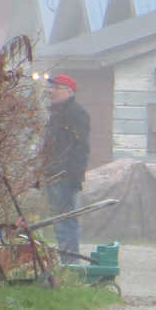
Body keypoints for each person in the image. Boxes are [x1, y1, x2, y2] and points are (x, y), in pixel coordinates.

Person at [41, 73, 90, 263]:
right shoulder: (56, 114)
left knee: (66, 222)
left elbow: (81, 148)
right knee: (59, 222)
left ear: (68, 91)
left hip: (65, 177)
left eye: (55, 87)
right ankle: (67, 263)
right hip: (53, 174)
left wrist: (75, 177)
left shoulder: (76, 114)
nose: (50, 91)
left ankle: (70, 265)